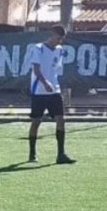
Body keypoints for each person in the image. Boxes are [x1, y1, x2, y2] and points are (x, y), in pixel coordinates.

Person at [28, 25, 75, 165]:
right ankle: (32, 153)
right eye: (58, 38)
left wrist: (55, 85)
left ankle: (61, 154)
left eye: (62, 39)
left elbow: (55, 69)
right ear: (52, 34)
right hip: (39, 91)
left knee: (60, 119)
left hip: (54, 90)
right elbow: (36, 70)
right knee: (36, 121)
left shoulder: (60, 50)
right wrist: (45, 82)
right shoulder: (38, 48)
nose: (59, 41)